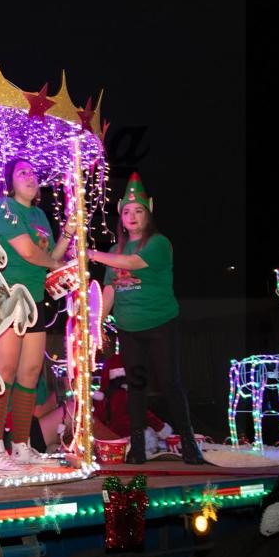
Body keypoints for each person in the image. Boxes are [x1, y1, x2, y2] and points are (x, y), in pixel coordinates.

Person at [88, 173, 205, 465]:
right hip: (129, 329)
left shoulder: (159, 243)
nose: (132, 216)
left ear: (148, 213)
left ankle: (190, 444)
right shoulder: (115, 250)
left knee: (170, 383)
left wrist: (90, 253)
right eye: (127, 211)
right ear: (120, 215)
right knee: (135, 388)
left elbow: (132, 264)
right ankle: (137, 448)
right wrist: (96, 323)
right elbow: (110, 289)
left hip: (160, 325)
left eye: (138, 210)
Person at [0, 158, 73, 472]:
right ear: (10, 181)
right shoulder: (4, 208)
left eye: (34, 172)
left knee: (30, 372)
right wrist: (56, 264)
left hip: (33, 301)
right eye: (22, 172)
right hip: (6, 299)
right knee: (3, 371)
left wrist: (67, 237)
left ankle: (21, 445)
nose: (30, 176)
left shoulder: (39, 216)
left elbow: (51, 258)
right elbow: (30, 253)